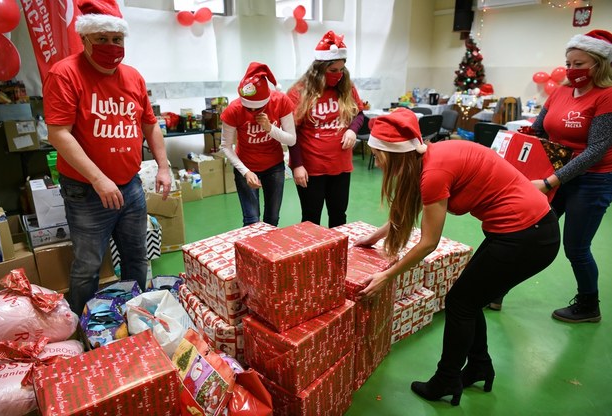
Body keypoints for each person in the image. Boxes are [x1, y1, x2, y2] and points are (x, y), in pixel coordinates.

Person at [355, 109, 560, 405]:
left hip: (529, 237)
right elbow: (408, 209)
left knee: (460, 303)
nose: (378, 160)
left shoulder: (433, 172)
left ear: (395, 153)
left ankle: (446, 380)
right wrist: (375, 237)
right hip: (519, 231)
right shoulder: (426, 157)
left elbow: (428, 243)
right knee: (469, 299)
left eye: (378, 154)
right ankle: (478, 366)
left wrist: (387, 276)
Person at [42, 0, 171, 315]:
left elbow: (150, 126)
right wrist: (99, 179)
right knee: (88, 265)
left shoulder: (133, 78)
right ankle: (79, 328)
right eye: (101, 38)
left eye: (117, 39)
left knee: (136, 257)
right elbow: (59, 133)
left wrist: (165, 167)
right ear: (84, 39)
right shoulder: (65, 74)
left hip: (130, 186)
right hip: (86, 191)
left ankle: (135, 315)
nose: (110, 46)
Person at [527, 29, 612, 323]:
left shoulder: (607, 96)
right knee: (527, 233)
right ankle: (498, 289)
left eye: (580, 64)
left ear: (599, 64)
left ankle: (589, 305)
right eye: (569, 63)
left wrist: (552, 181)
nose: (572, 70)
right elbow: (538, 128)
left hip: (593, 179)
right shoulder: (560, 91)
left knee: (576, 247)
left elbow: (597, 149)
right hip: (556, 173)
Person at [287, 31, 365, 228]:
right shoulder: (299, 91)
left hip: (340, 166)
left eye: (342, 69)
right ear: (319, 69)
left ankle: (336, 257)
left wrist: (352, 130)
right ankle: (312, 258)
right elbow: (291, 132)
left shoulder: (346, 87)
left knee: (339, 215)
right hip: (311, 168)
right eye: (332, 70)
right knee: (311, 217)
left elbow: (360, 114)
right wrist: (297, 164)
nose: (338, 75)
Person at [220, 62, 296, 226]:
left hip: (274, 166)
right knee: (251, 221)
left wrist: (270, 129)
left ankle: (267, 251)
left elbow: (291, 139)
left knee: (272, 218)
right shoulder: (234, 110)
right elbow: (225, 146)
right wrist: (246, 172)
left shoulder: (281, 101)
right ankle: (251, 252)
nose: (252, 113)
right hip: (246, 165)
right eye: (248, 108)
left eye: (257, 108)